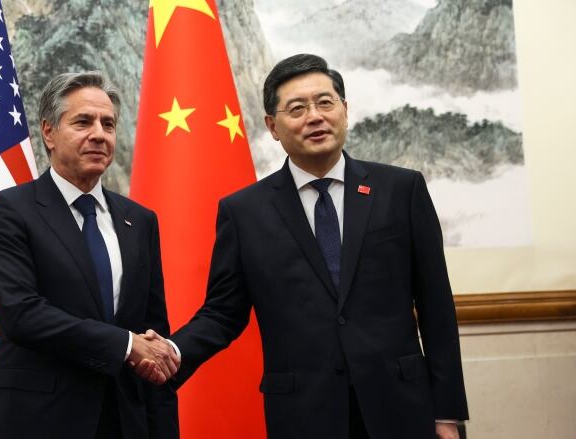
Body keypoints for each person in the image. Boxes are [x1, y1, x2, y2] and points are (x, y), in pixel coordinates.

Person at [148, 54, 469, 438]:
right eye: (297, 109)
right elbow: (223, 313)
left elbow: (436, 306)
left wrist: (447, 413)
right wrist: (172, 353)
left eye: (325, 103)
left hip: (402, 407)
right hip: (304, 415)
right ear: (272, 126)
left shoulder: (401, 190)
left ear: (345, 110)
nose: (314, 117)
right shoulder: (245, 211)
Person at [0, 71, 179, 439]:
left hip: (124, 419)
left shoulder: (139, 220)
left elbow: (153, 334)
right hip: (36, 419)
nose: (99, 134)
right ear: (49, 133)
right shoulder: (10, 210)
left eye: (108, 124)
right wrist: (125, 345)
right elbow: (21, 313)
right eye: (83, 122)